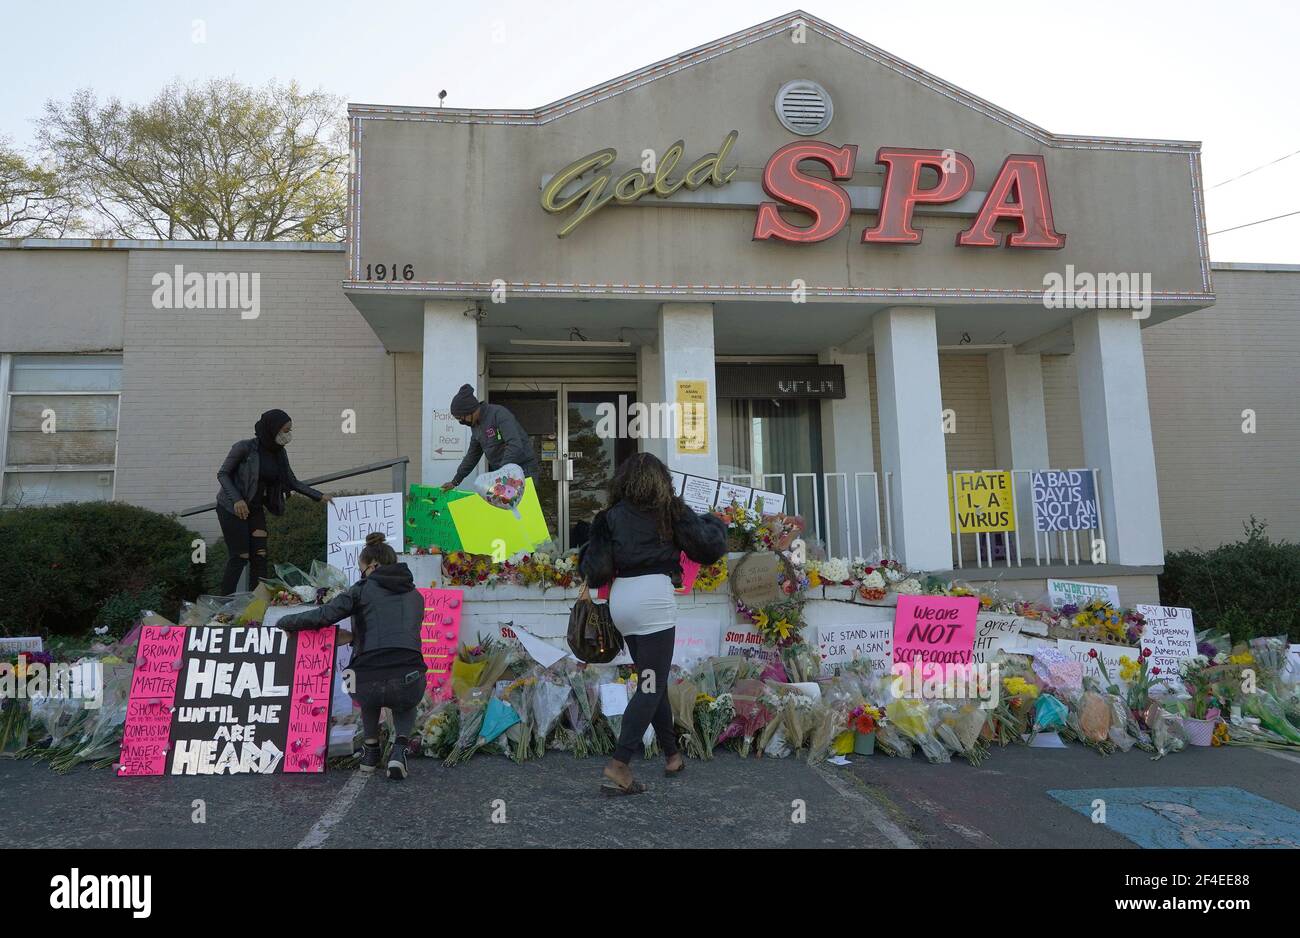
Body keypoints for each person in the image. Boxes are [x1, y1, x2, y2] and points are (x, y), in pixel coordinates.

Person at [578, 452, 727, 795]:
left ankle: (672, 755)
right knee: (651, 684)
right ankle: (619, 765)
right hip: (653, 600)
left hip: (622, 601)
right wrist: (715, 523)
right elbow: (708, 548)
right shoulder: (671, 510)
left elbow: (594, 569)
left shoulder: (609, 517)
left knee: (650, 677)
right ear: (662, 479)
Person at [277, 532, 426, 780]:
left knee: (366, 684)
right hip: (408, 679)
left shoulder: (361, 590)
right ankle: (399, 751)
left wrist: (286, 621)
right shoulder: (417, 597)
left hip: (364, 682)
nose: (361, 573)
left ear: (374, 566)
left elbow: (323, 615)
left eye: (362, 568)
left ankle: (370, 751)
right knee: (407, 694)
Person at [215, 409, 329, 595]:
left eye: (290, 429)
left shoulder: (279, 453)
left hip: (255, 508)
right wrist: (237, 499)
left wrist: (319, 496)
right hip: (231, 508)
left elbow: (292, 481)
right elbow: (223, 474)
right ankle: (224, 604)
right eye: (285, 430)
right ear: (272, 428)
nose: (288, 434)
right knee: (240, 556)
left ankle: (257, 602)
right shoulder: (244, 448)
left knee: (260, 556)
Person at [441, 383, 541, 491]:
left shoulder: (499, 414)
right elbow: (472, 456)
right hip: (504, 474)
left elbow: (515, 445)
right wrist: (455, 481)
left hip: (523, 471)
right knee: (505, 506)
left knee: (525, 507)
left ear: (470, 411)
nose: (461, 422)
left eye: (461, 418)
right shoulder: (476, 426)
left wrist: (499, 473)